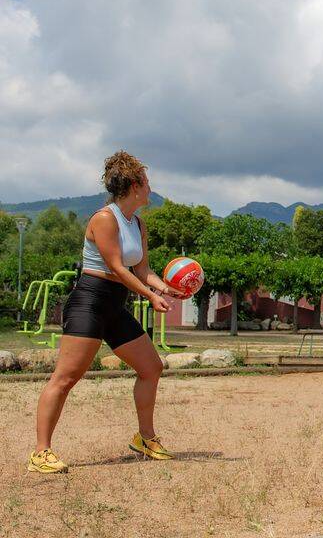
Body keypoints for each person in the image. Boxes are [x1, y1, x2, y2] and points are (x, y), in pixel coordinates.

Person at [27, 151, 185, 474]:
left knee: (151, 367)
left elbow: (142, 269)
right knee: (66, 377)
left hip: (115, 304)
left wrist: (165, 287)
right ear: (134, 184)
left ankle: (145, 439)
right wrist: (151, 297)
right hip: (90, 301)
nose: (151, 188)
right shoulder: (104, 219)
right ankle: (40, 452)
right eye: (147, 181)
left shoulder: (137, 224)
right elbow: (115, 266)